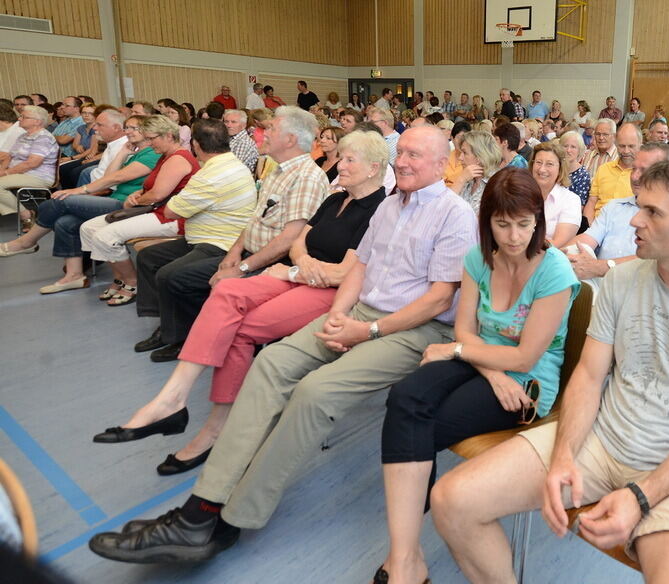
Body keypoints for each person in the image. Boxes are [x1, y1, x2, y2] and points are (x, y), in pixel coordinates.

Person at [88, 125, 477, 564]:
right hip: (361, 312)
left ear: (443, 164)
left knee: (316, 392)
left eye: (416, 156)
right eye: (401, 152)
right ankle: (202, 508)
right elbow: (360, 270)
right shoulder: (389, 206)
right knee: (271, 362)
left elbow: (440, 298)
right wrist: (338, 315)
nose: (403, 161)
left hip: (413, 329)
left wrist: (365, 331)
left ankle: (231, 516)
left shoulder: (453, 215)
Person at [432, 159, 669, 584]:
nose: (635, 219)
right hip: (599, 439)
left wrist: (640, 496)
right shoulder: (623, 280)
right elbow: (590, 378)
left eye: (653, 212)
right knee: (452, 500)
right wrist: (563, 456)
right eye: (639, 206)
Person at [93, 128, 386, 474]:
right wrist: (301, 263)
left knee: (241, 327)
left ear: (374, 168)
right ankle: (172, 398)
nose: (341, 163)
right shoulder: (336, 198)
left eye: (350, 159)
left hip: (328, 293)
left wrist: (293, 272)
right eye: (343, 157)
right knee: (227, 291)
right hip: (296, 275)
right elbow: (298, 244)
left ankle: (215, 429)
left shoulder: (379, 209)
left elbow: (343, 274)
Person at [375, 166, 578, 584]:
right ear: (487, 222)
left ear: (539, 220)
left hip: (527, 385)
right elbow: (465, 329)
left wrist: (461, 353)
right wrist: (488, 370)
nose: (514, 236)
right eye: (502, 225)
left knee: (415, 423)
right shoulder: (477, 258)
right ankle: (406, 557)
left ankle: (404, 562)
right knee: (404, 397)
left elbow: (522, 358)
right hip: (482, 365)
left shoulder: (555, 271)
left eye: (524, 224)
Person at [131, 106, 329, 363]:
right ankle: (182, 333)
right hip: (250, 253)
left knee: (176, 277)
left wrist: (243, 267)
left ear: (290, 140)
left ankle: (189, 338)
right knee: (166, 268)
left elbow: (288, 240)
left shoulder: (306, 177)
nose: (262, 134)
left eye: (271, 129)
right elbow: (255, 221)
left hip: (273, 264)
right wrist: (235, 253)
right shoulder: (278, 171)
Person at [0, 112, 158, 282]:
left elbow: (115, 179)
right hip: (114, 198)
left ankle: (27, 242)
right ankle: (74, 275)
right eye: (127, 128)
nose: (127, 132)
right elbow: (108, 177)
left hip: (126, 206)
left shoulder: (151, 154)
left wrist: (79, 191)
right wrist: (122, 153)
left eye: (133, 128)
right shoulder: (133, 152)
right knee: (65, 222)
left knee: (59, 200)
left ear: (148, 132)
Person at [78, 115, 200, 305]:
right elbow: (151, 187)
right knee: (88, 228)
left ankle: (132, 282)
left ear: (168, 135)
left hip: (171, 217)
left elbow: (157, 194)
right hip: (156, 210)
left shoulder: (179, 158)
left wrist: (136, 200)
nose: (149, 143)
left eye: (152, 138)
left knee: (105, 236)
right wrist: (137, 193)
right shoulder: (166, 156)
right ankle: (120, 278)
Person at [565, 142, 669, 289]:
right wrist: (558, 255)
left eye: (644, 171)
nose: (635, 177)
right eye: (634, 169)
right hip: (601, 290)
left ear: (667, 176)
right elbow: (586, 240)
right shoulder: (614, 207)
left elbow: (654, 260)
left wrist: (601, 267)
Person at [0, 105, 59, 221]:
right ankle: (25, 213)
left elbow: (32, 163)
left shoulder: (43, 137)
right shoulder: (23, 136)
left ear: (37, 122)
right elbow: (9, 156)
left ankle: (26, 215)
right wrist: (2, 169)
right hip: (20, 173)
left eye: (23, 117)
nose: (19, 119)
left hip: (37, 176)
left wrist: (6, 173)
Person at [586, 122, 641, 222]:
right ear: (616, 144)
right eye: (622, 146)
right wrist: (588, 227)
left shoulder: (644, 175)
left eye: (631, 146)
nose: (626, 151)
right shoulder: (603, 169)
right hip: (597, 226)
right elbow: (592, 202)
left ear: (640, 145)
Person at [531, 142, 582, 247]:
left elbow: (557, 244)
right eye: (538, 162)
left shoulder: (571, 201)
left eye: (549, 164)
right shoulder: (521, 194)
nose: (542, 169)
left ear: (560, 169)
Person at [453, 130, 502, 213]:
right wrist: (460, 180)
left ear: (480, 156)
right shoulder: (469, 179)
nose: (460, 158)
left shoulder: (497, 183)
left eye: (465, 153)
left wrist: (461, 180)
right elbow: (444, 207)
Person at [560, 130, 591, 210]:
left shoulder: (583, 175)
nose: (568, 150)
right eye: (565, 146)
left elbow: (578, 207)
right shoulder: (555, 167)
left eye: (573, 147)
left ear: (579, 150)